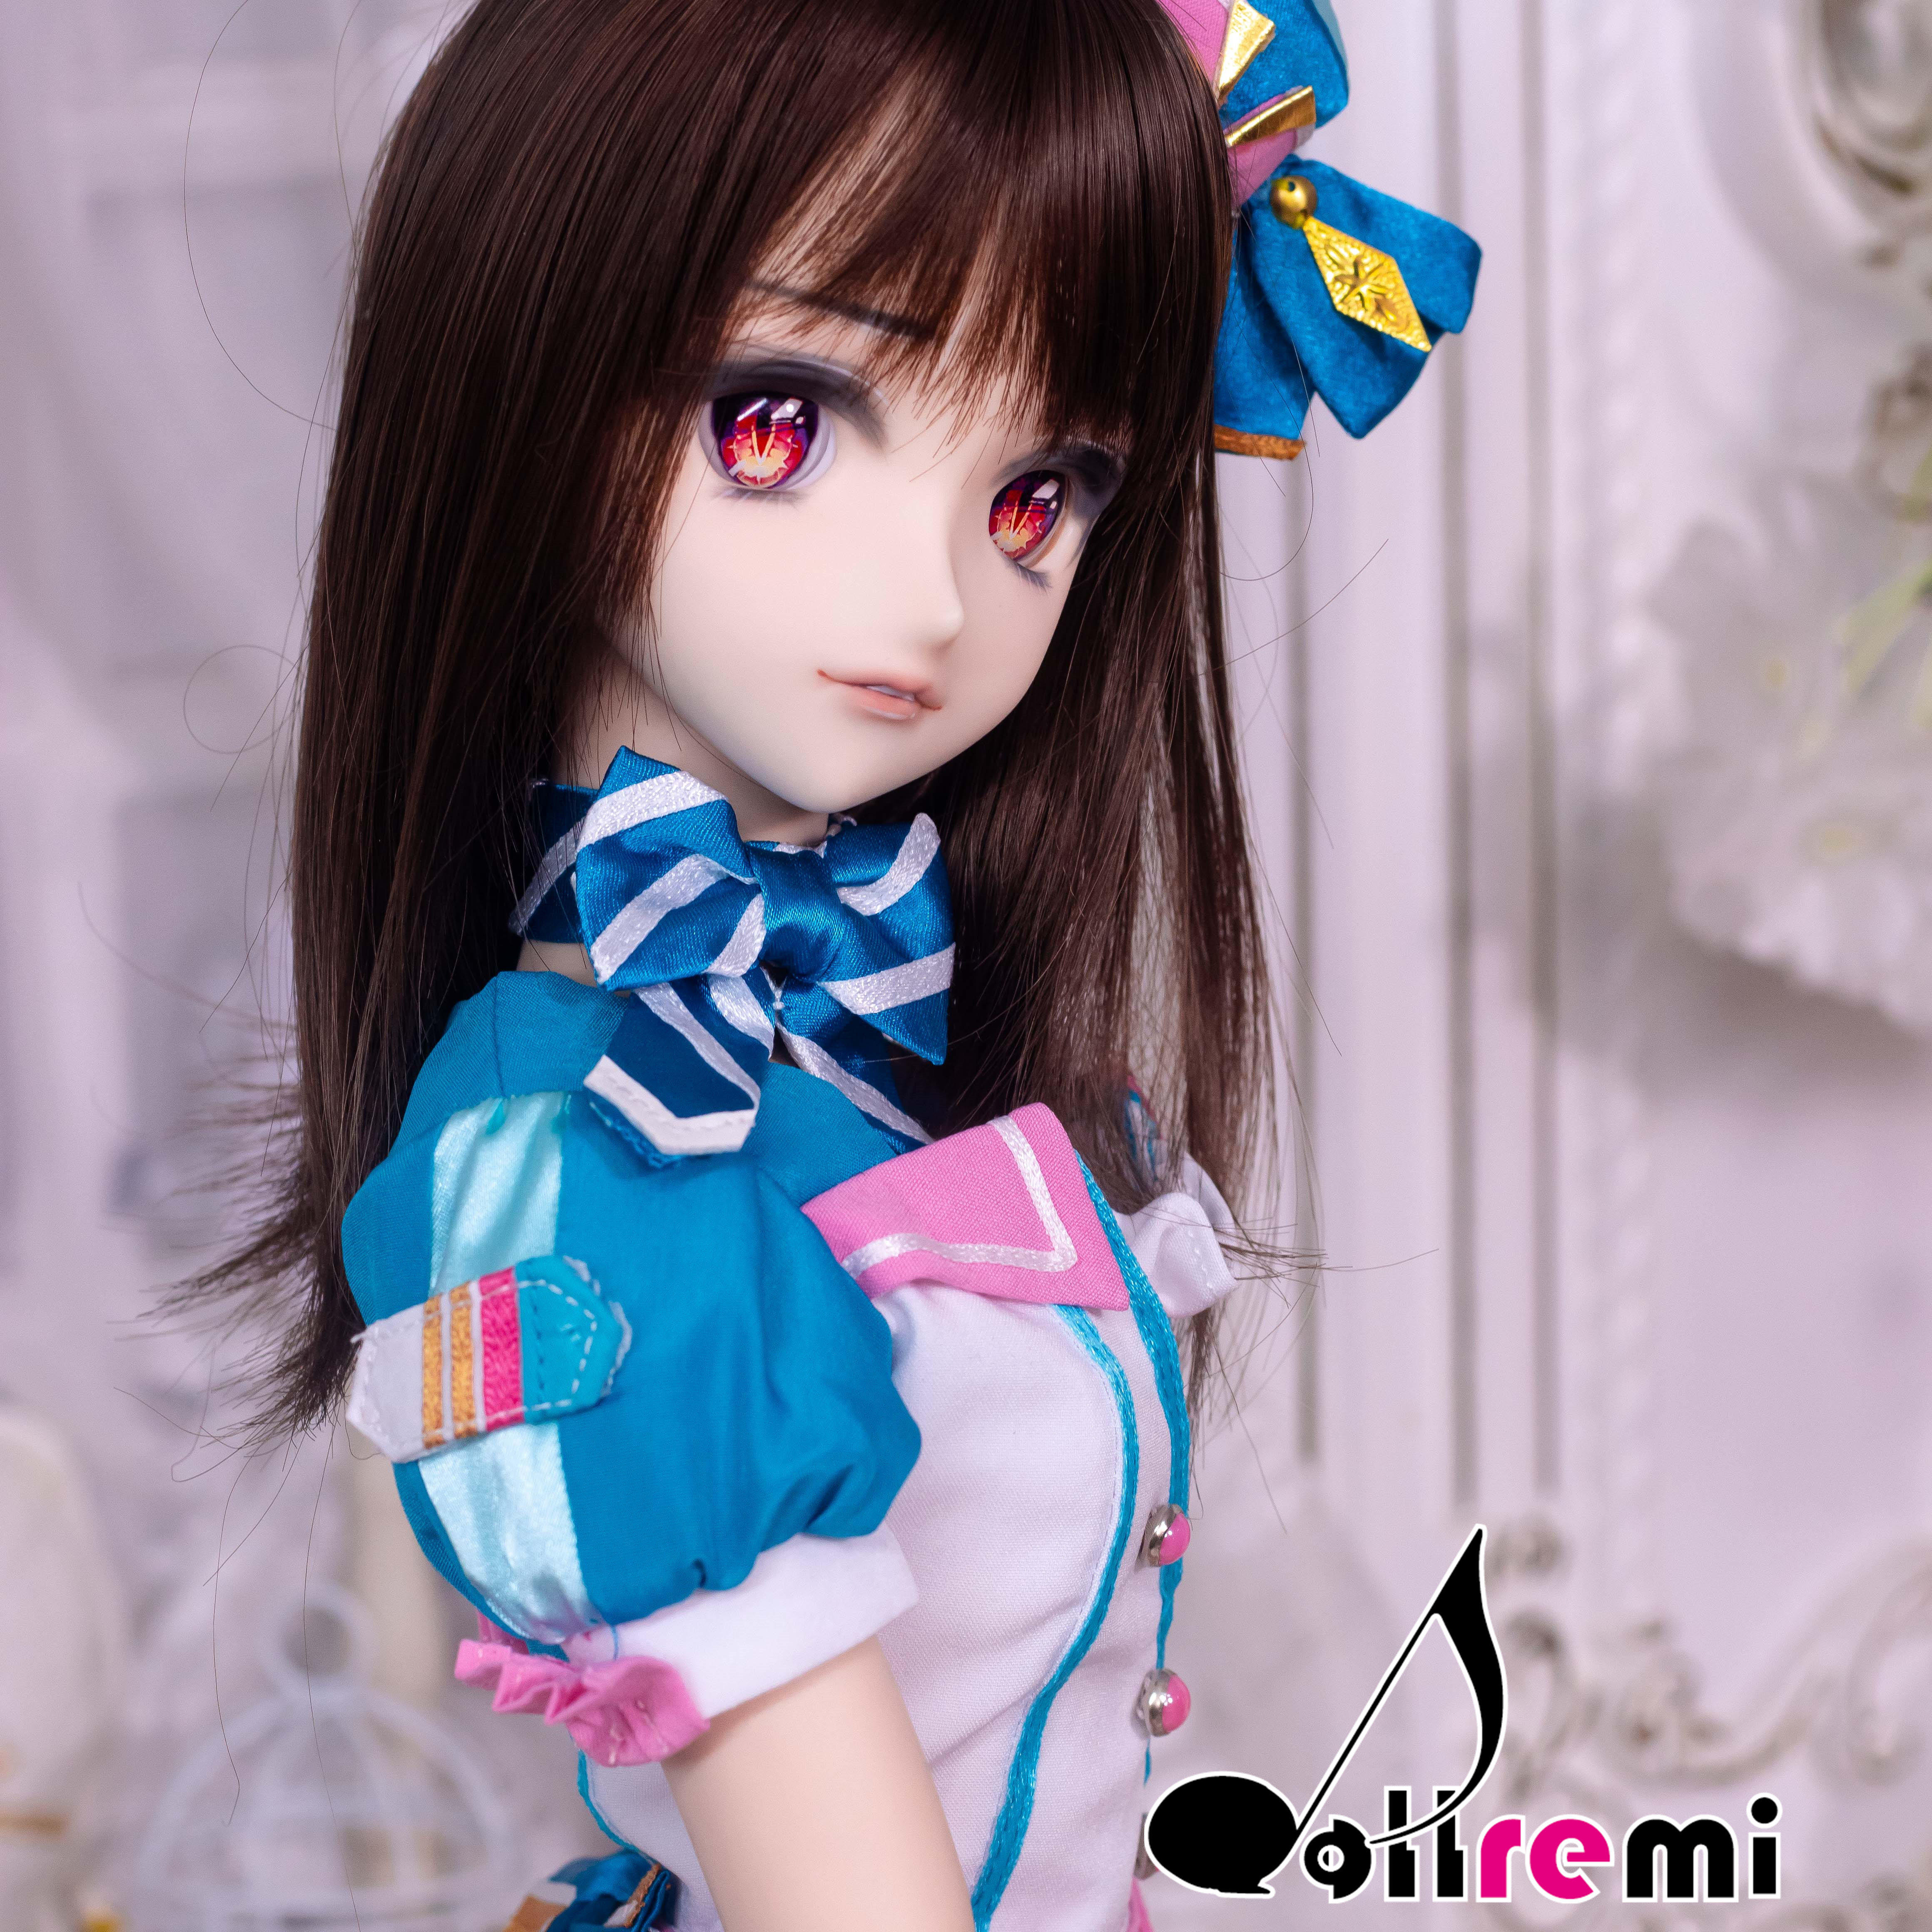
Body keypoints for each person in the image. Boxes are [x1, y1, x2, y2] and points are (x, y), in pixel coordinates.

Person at [196, 0, 1476, 1925]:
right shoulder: (584, 1161)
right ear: (520, 355)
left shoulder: (857, 1042)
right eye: (779, 423)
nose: (935, 596)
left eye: (1034, 496)